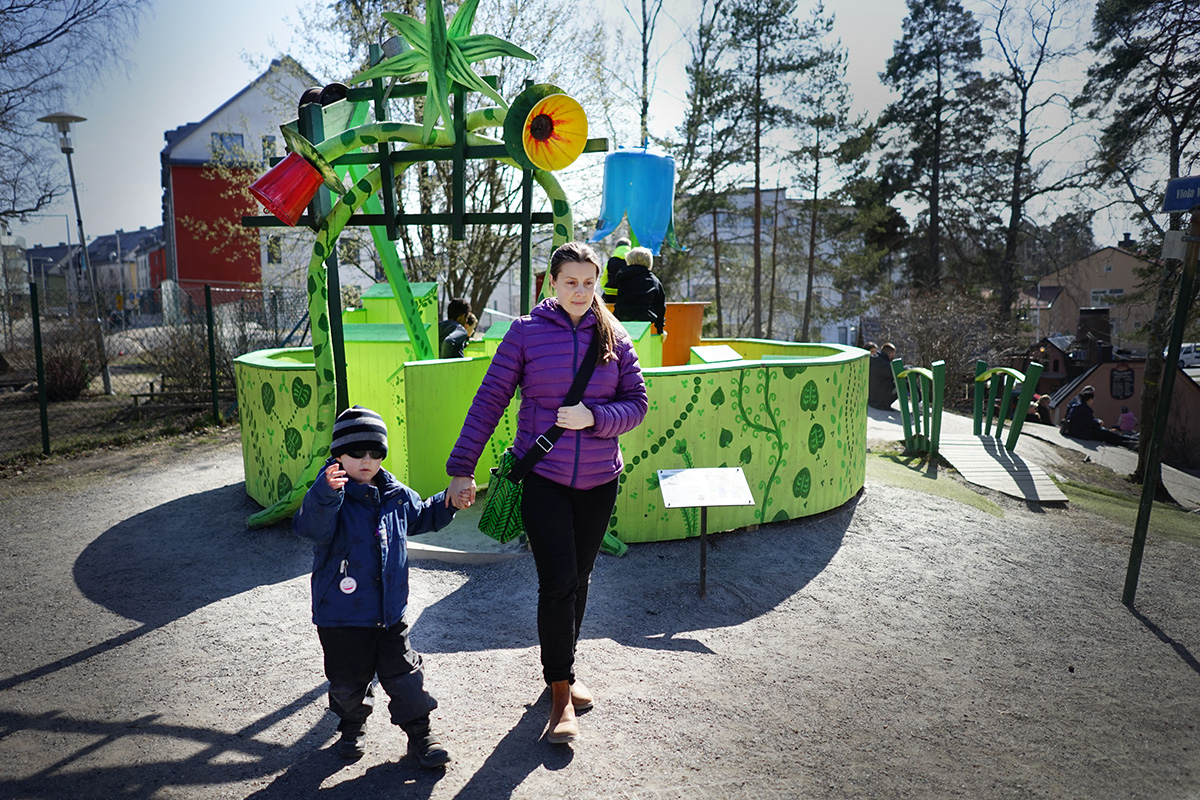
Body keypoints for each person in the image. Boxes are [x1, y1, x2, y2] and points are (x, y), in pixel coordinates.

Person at [446, 241, 648, 745]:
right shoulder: (525, 334)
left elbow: (638, 403)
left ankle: (566, 670)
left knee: (579, 578)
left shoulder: (615, 336)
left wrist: (595, 418)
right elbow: (489, 399)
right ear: (552, 284)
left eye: (589, 281)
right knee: (557, 582)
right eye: (570, 281)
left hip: (601, 480)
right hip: (545, 479)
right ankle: (559, 692)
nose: (581, 290)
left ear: (597, 282)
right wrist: (461, 468)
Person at [294, 405, 464, 767]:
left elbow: (422, 515)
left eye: (376, 452)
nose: (366, 460)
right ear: (338, 454)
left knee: (406, 677)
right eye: (356, 452)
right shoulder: (328, 496)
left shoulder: (395, 494)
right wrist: (325, 494)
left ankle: (421, 733)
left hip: (389, 614)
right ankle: (351, 724)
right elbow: (310, 527)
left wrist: (448, 503)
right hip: (341, 617)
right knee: (347, 683)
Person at [610, 246, 666, 334]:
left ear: (630, 261)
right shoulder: (653, 280)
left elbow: (618, 298)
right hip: (644, 317)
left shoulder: (623, 277)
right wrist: (660, 329)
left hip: (623, 316)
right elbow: (660, 306)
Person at [868, 342, 898, 410]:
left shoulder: (874, 359)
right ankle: (919, 405)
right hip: (878, 401)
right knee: (903, 384)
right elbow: (895, 373)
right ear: (890, 353)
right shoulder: (883, 364)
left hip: (871, 397)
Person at [601, 237, 631, 303]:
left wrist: (605, 288)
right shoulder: (632, 261)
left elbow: (604, 278)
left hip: (610, 293)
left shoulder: (611, 261)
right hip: (626, 293)